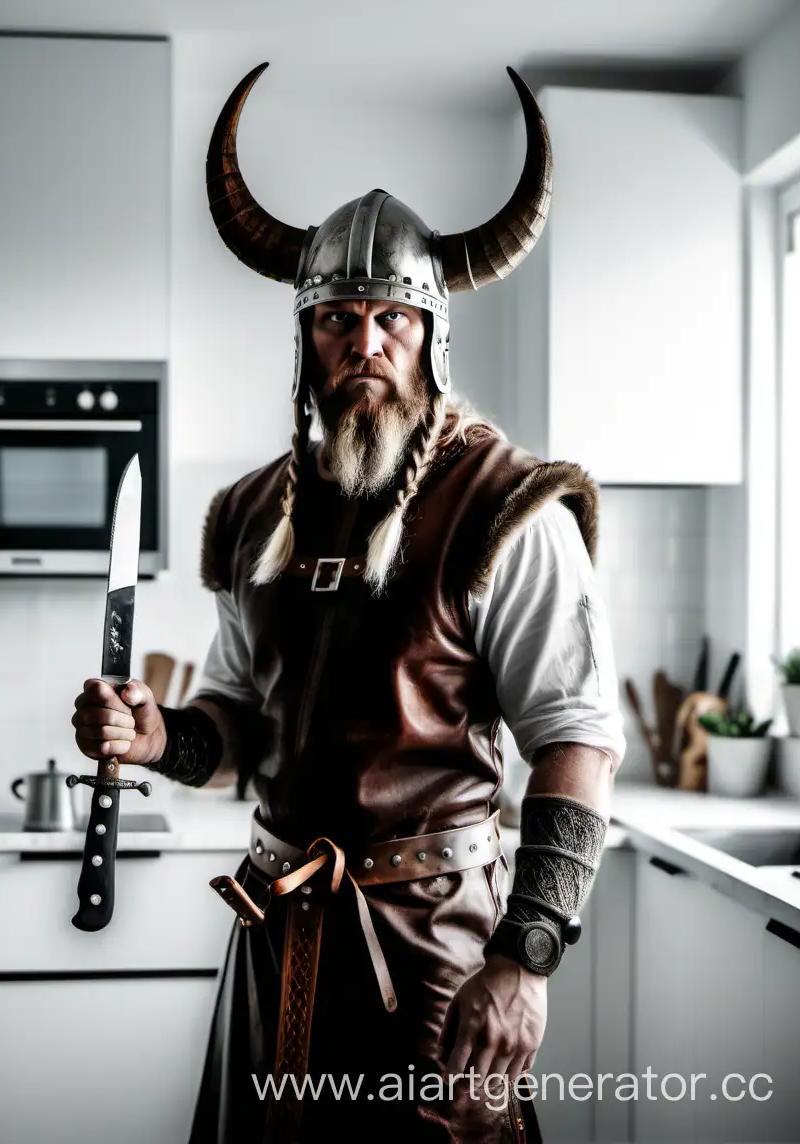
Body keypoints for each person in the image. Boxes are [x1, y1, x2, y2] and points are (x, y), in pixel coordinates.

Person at [71, 63, 625, 1144]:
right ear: (306, 336)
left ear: (429, 335)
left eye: (389, 319)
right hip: (277, 937)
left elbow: (577, 740)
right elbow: (233, 727)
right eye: (336, 318)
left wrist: (525, 957)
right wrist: (158, 737)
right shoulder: (252, 513)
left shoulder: (509, 506)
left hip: (433, 952)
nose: (362, 343)